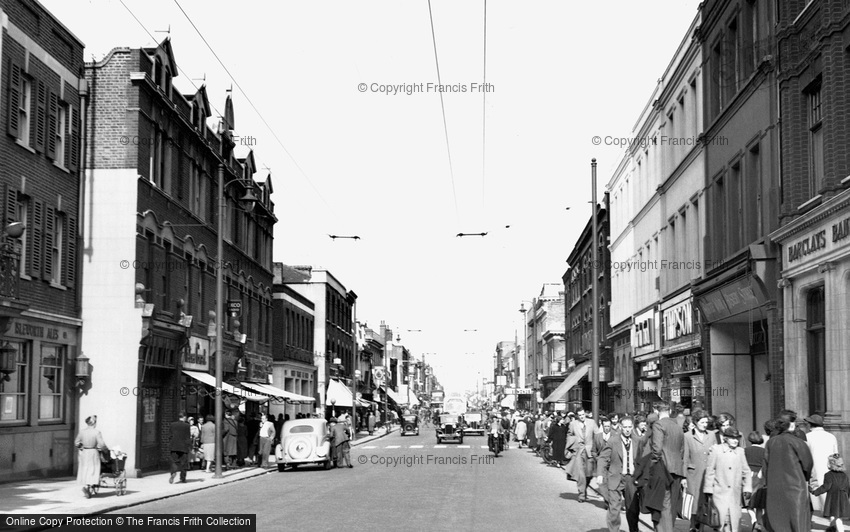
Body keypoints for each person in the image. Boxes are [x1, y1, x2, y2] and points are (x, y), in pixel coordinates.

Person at [763, 409, 814, 532]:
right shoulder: (798, 442)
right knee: (797, 520)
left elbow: (765, 466)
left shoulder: (770, 443)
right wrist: (806, 478)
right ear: (791, 424)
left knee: (778, 520)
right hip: (796, 487)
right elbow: (808, 464)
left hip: (775, 487)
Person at [595, 416, 641, 532]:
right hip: (616, 477)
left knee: (633, 509)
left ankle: (633, 529)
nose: (627, 430)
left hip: (631, 479)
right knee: (614, 509)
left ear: (633, 427)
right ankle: (614, 530)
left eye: (630, 427)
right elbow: (603, 458)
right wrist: (600, 474)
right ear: (620, 427)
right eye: (625, 427)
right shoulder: (613, 441)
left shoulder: (638, 441)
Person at [703, 427, 752, 532]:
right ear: (725, 438)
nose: (735, 440)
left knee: (733, 521)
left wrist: (747, 488)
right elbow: (710, 470)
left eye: (737, 438)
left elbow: (746, 471)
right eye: (732, 438)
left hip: (735, 493)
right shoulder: (716, 450)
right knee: (721, 521)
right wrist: (708, 489)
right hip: (719, 492)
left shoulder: (740, 452)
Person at [650, 402, 685, 532]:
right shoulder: (677, 426)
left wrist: (653, 465)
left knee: (662, 503)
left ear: (656, 411)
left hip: (663, 468)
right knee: (672, 504)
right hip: (677, 468)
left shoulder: (658, 424)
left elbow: (657, 449)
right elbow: (682, 449)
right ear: (669, 410)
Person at [683, 409, 717, 531]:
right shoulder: (687, 436)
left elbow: (716, 454)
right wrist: (683, 477)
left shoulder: (711, 435)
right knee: (694, 501)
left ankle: (703, 526)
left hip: (708, 474)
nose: (705, 425)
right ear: (696, 422)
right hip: (694, 474)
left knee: (706, 501)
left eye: (706, 422)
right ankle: (693, 527)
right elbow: (685, 457)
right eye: (702, 422)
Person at [806, 413, 839, 513]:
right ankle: (836, 524)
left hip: (814, 471)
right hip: (830, 471)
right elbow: (836, 455)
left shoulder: (807, 437)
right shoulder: (831, 436)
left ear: (811, 424)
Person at [566, 407, 599, 503]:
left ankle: (584, 488)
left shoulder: (592, 422)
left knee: (589, 474)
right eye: (580, 415)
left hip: (590, 451)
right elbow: (569, 435)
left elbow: (597, 435)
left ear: (585, 414)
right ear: (577, 415)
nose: (582, 417)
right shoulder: (573, 424)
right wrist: (573, 444)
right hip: (578, 452)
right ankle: (581, 494)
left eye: (583, 414)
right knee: (581, 475)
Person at [810, 453, 850, 532]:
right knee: (835, 517)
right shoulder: (845, 475)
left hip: (834, 500)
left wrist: (815, 492)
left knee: (837, 518)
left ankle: (839, 530)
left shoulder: (828, 475)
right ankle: (832, 529)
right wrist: (846, 498)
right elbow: (847, 488)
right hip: (843, 499)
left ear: (831, 464)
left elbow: (826, 487)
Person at [75, 415, 106, 498]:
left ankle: (86, 486)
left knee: (85, 469)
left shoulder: (82, 432)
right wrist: (105, 450)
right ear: (94, 423)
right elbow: (102, 444)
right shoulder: (96, 432)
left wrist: (81, 448)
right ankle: (88, 486)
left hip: (85, 452)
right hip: (93, 451)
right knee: (93, 469)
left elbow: (76, 442)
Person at [745, 431, 767, 531]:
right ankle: (759, 523)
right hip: (760, 477)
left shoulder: (745, 451)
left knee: (748, 503)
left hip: (748, 477)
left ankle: (753, 520)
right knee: (759, 504)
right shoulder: (765, 451)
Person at [169, 412, 191, 484]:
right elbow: (188, 437)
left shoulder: (172, 425)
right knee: (183, 463)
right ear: (184, 417)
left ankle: (173, 472)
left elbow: (170, 436)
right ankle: (183, 477)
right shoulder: (187, 426)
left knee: (174, 461)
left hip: (174, 446)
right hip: (183, 447)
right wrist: (190, 447)